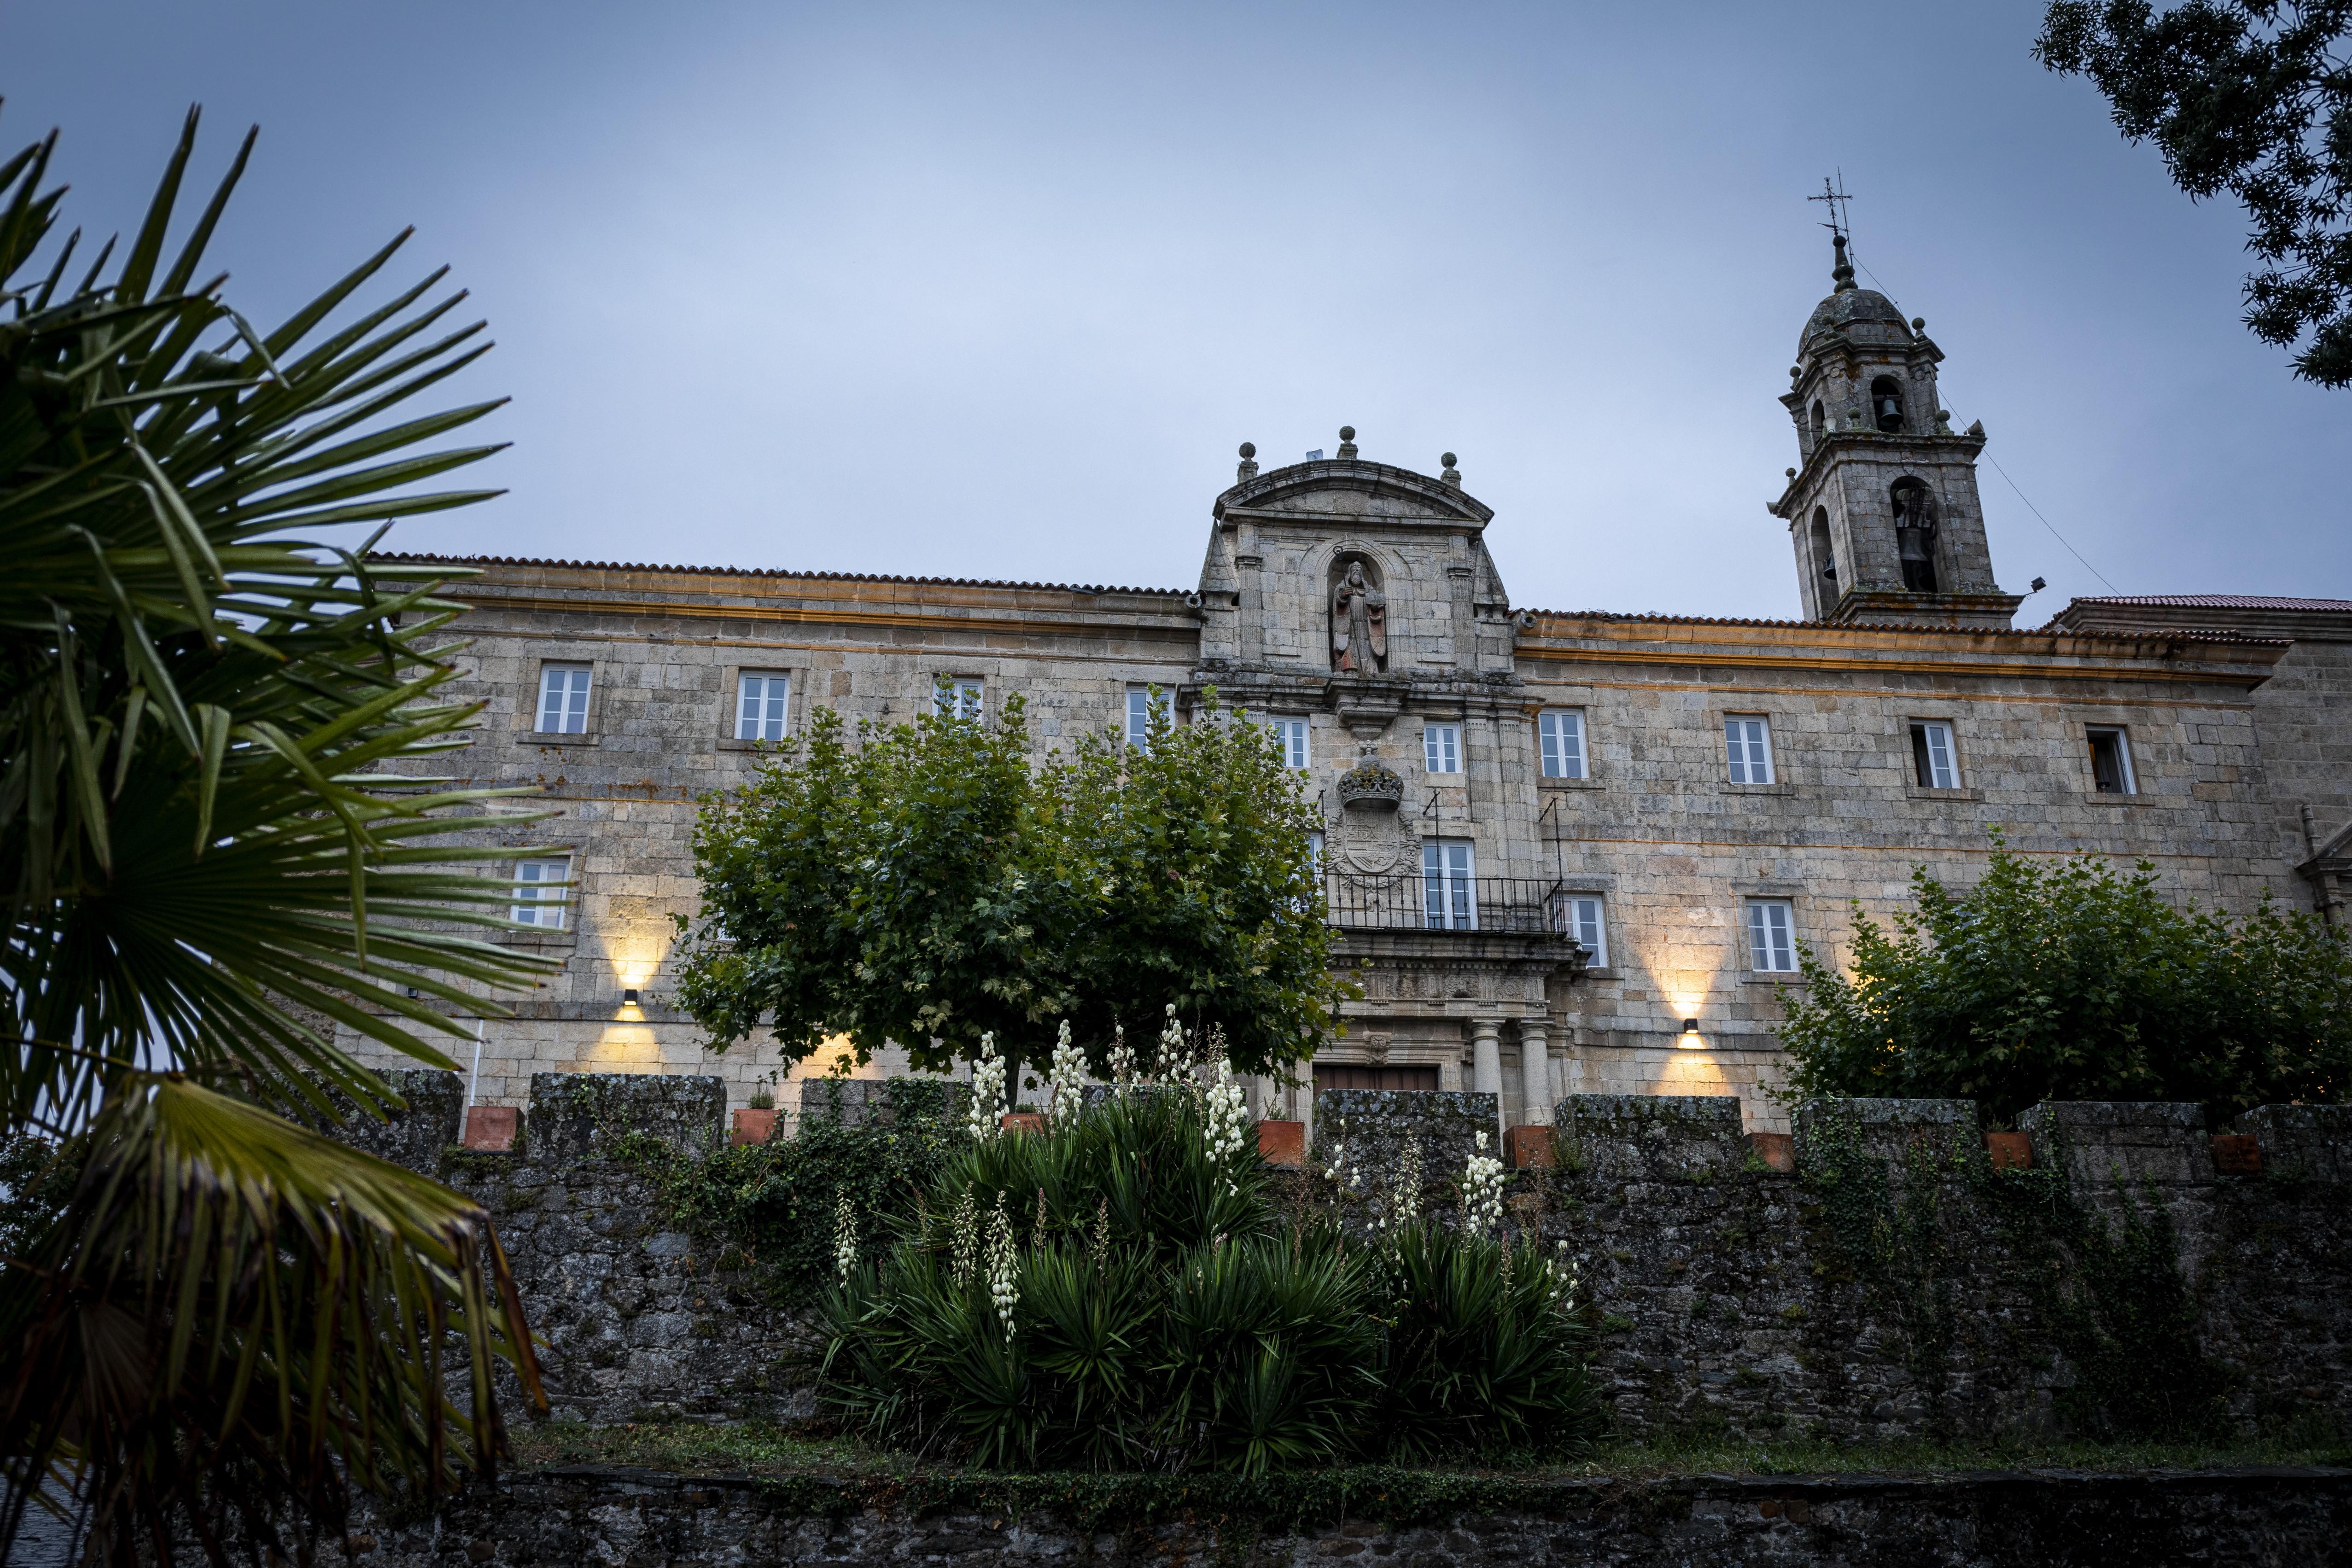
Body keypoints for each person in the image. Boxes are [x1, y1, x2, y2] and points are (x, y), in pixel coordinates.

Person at [1331, 560, 1387, 673]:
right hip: (1349, 626)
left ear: (1362, 573)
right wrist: (1342, 595)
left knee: (1366, 646)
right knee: (1349, 644)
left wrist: (1376, 606)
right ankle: (1349, 668)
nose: (1356, 570)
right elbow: (1337, 600)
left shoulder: (1370, 590)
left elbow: (1376, 604)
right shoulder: (1343, 587)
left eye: (1359, 568)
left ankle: (1369, 671)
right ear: (1350, 572)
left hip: (1365, 626)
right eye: (1354, 568)